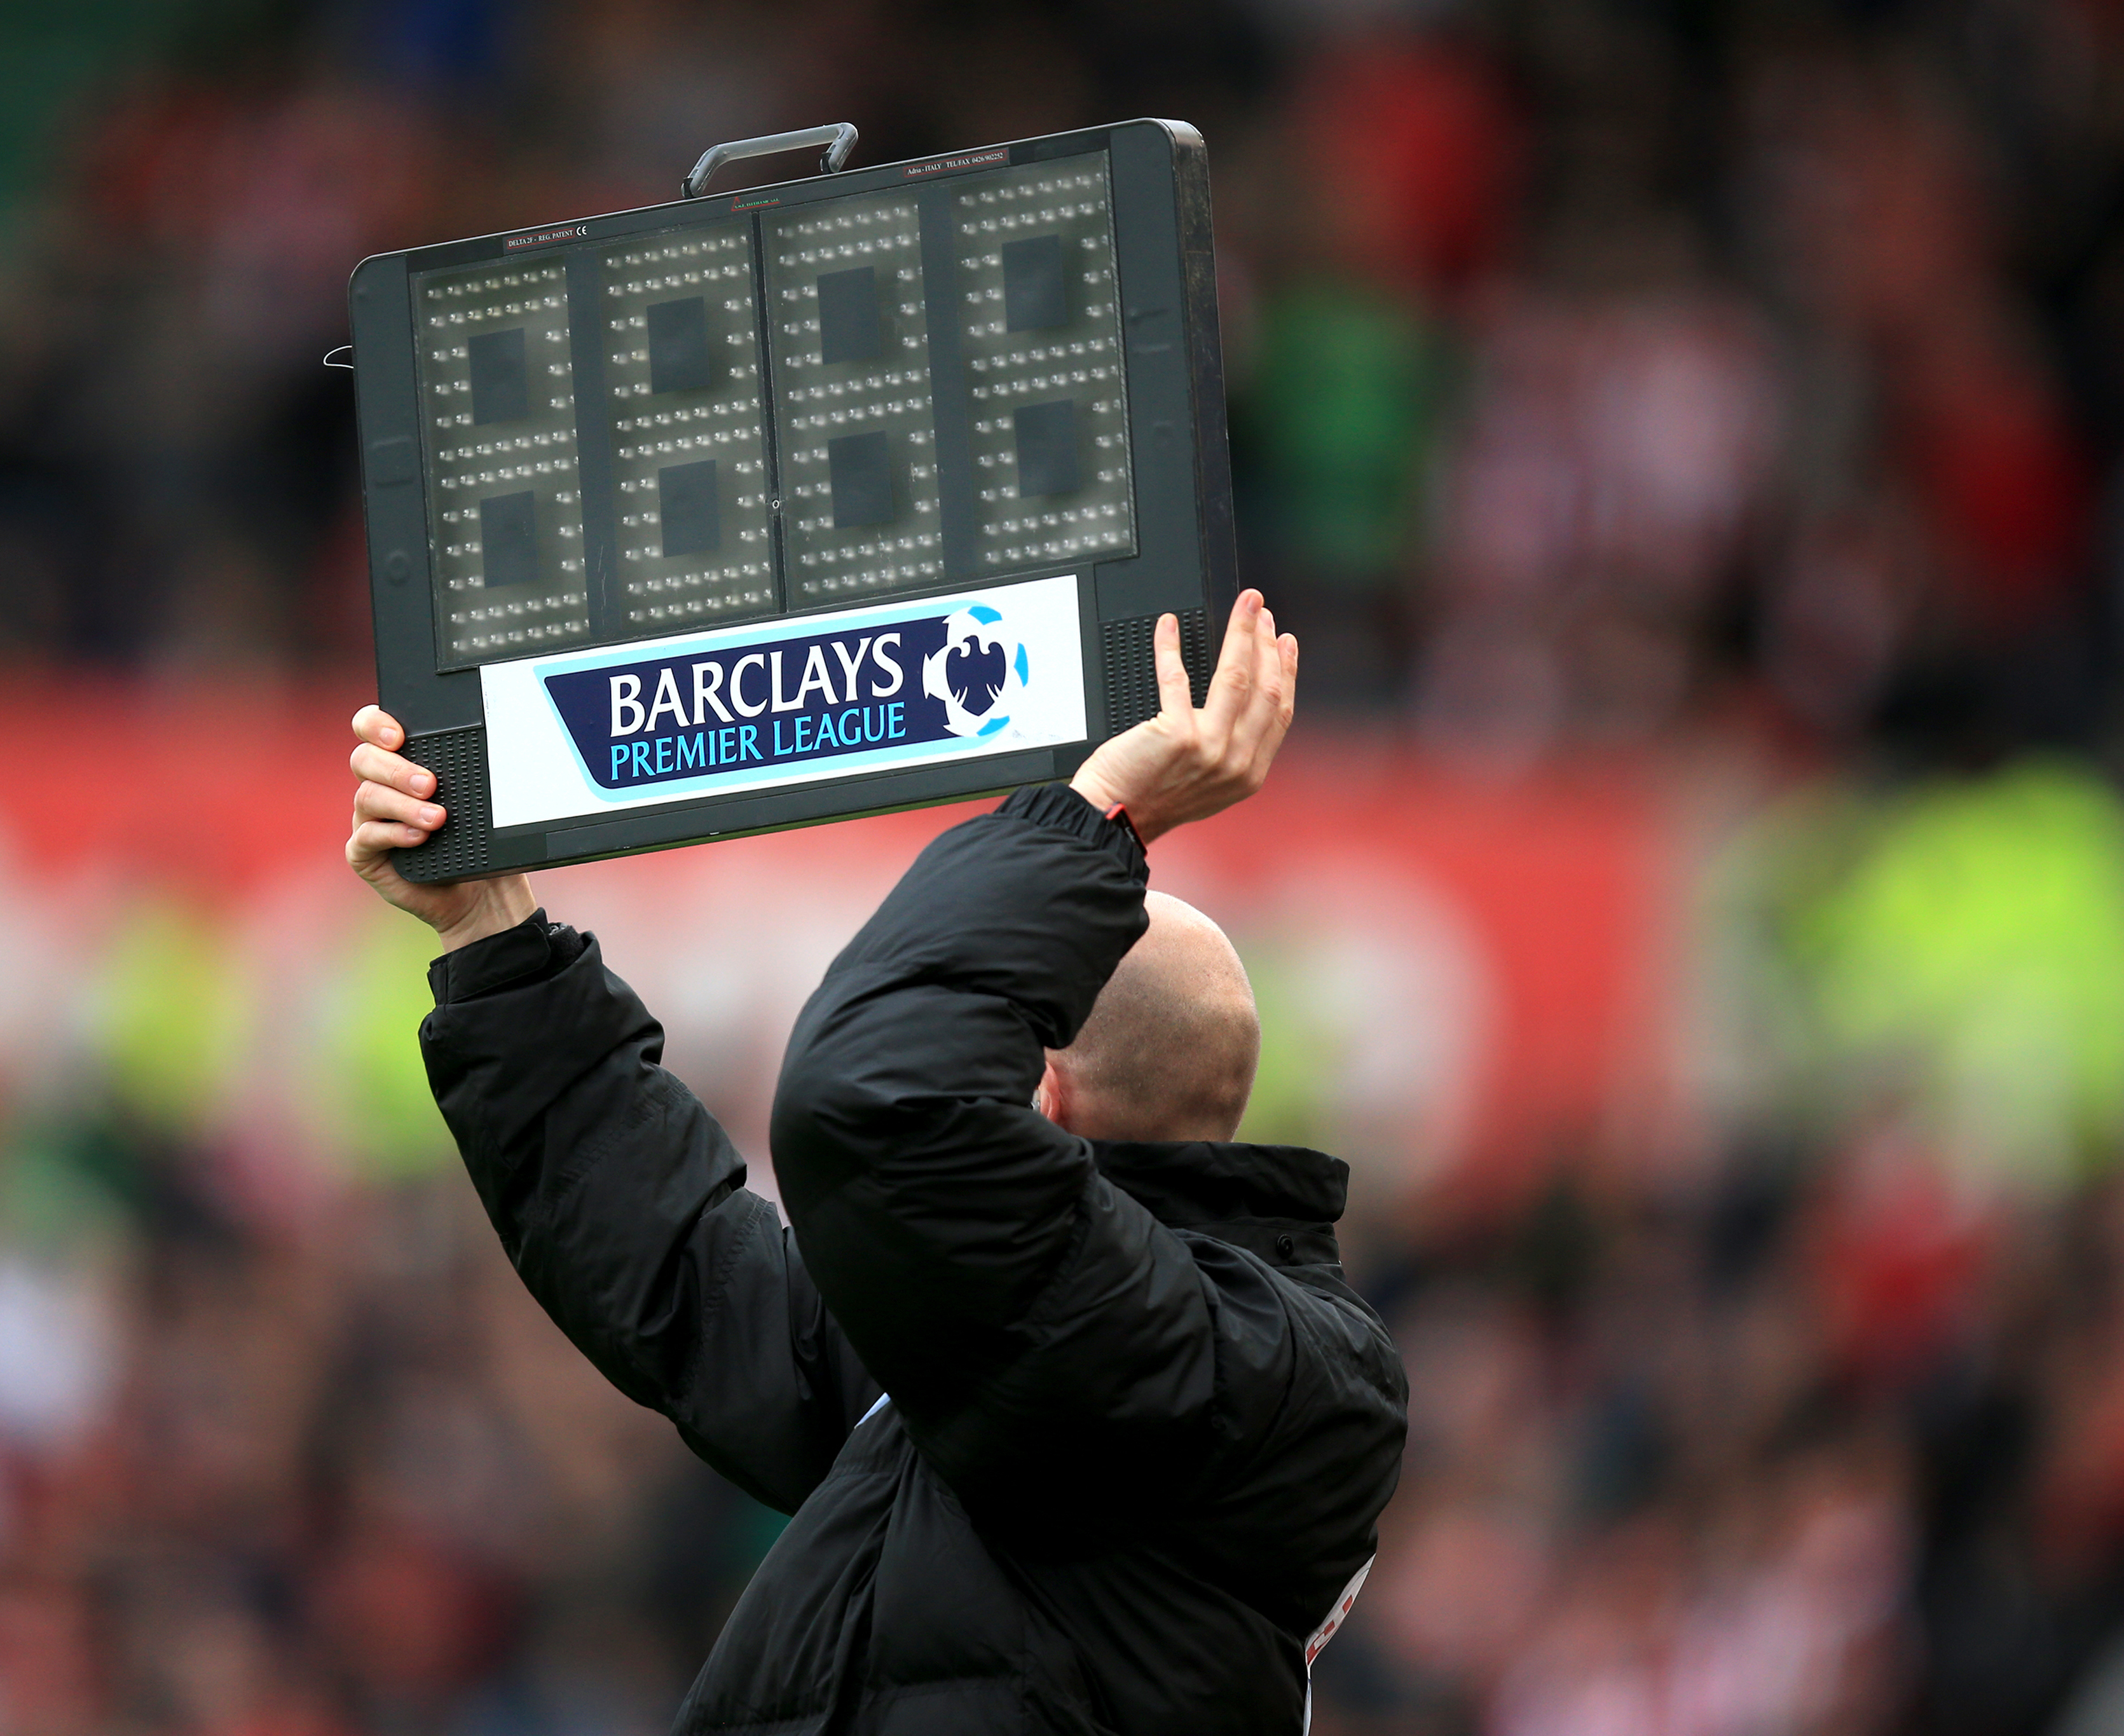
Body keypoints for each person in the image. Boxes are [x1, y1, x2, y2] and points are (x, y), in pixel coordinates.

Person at [345, 591, 1406, 1735]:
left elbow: (875, 1102)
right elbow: (692, 1279)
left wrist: (1097, 816)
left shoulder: (1251, 1372)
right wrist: (491, 937)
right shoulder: (1032, 1347)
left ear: (1036, 1089)